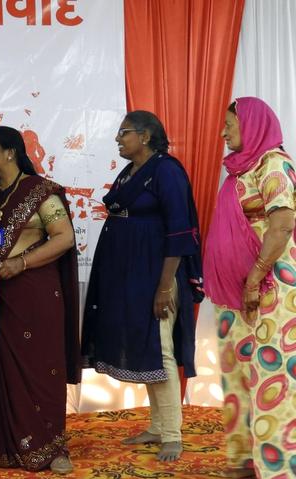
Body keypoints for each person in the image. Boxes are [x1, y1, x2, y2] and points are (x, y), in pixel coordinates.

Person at [81, 111, 202, 463]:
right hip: (129, 274)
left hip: (156, 273)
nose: (119, 139)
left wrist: (165, 287)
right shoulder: (132, 171)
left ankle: (173, 435)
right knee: (146, 347)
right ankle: (157, 426)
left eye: (124, 133)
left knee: (160, 348)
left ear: (146, 136)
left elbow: (180, 233)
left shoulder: (167, 171)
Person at [0, 126, 80, 474]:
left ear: (11, 152)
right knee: (1, 370)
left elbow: (64, 238)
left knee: (40, 370)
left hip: (35, 293)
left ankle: (53, 450)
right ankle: (2, 446)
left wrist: (20, 262)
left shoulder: (40, 192)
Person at [204, 97, 295, 479]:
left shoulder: (274, 164)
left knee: (271, 377)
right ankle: (244, 458)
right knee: (238, 371)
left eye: (230, 125)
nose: (224, 133)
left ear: (253, 125)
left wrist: (255, 277)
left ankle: (276, 467)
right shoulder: (240, 170)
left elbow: (283, 223)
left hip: (271, 289)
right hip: (236, 292)